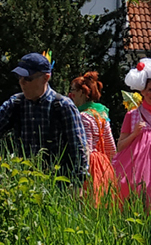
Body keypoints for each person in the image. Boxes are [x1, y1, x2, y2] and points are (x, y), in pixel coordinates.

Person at [0, 53, 89, 181]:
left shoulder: (63, 106)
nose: (21, 82)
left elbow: (78, 149)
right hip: (23, 183)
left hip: (57, 184)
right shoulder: (15, 103)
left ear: (45, 78)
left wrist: (78, 184)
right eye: (19, 77)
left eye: (27, 78)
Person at [113, 54, 151, 215]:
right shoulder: (132, 115)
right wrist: (135, 134)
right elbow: (120, 146)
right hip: (137, 172)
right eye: (149, 89)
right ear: (142, 92)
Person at [69, 71, 117, 203]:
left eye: (73, 90)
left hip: (90, 165)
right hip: (103, 164)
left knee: (88, 201)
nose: (70, 95)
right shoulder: (101, 115)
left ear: (82, 92)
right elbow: (111, 148)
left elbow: (86, 149)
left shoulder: (83, 117)